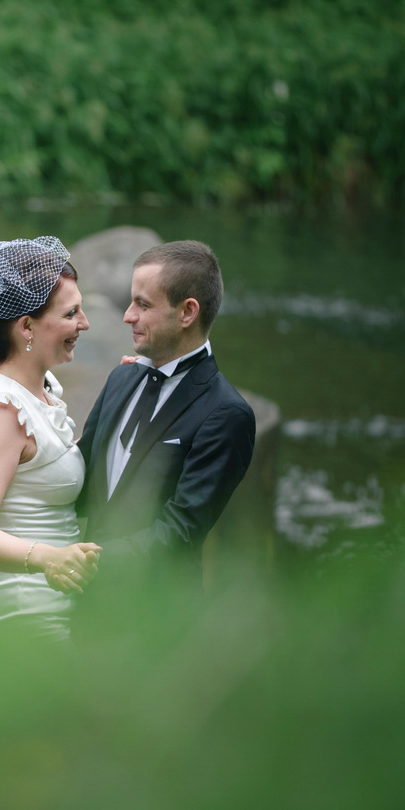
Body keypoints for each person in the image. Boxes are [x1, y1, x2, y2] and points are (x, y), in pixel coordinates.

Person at [74, 240, 255, 615]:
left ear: (187, 312)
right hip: (85, 606)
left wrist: (86, 561)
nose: (128, 316)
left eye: (143, 304)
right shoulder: (121, 379)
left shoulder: (226, 413)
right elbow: (82, 475)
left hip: (158, 620)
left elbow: (183, 530)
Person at [0, 236, 103, 639]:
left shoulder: (39, 388)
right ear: (27, 326)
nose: (84, 323)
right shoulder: (2, 409)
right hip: (15, 615)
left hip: (49, 605)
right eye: (71, 313)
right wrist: (48, 558)